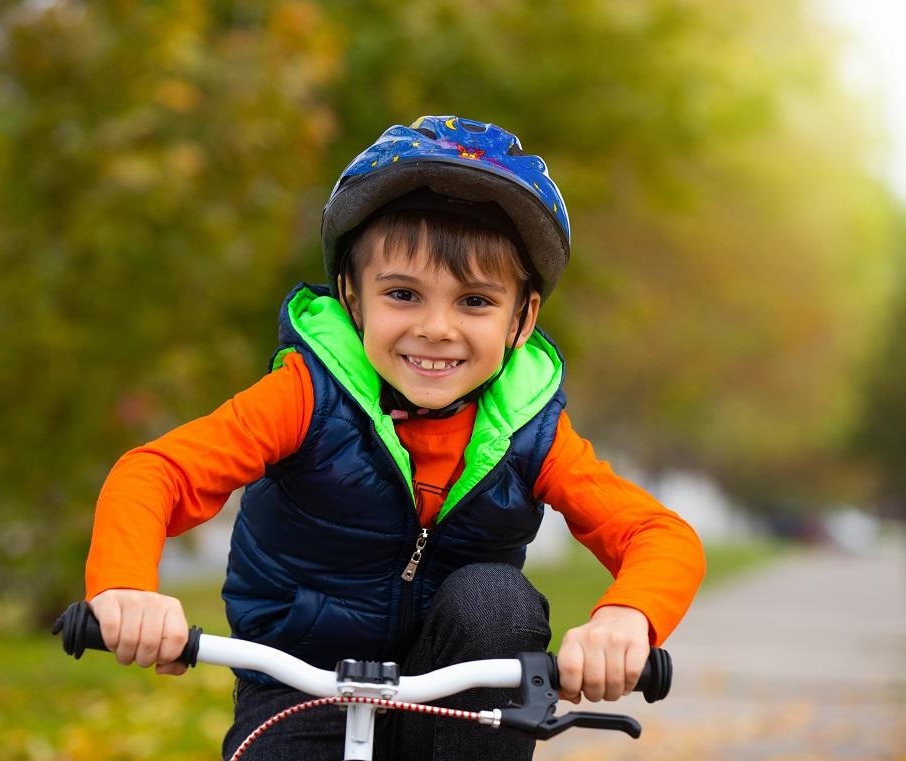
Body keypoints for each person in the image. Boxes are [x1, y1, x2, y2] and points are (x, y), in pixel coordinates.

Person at [84, 115, 706, 760]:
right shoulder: (305, 394)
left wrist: (623, 620)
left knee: (495, 598)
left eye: (475, 302)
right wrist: (127, 586)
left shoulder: (531, 433)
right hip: (301, 685)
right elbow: (156, 472)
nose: (437, 328)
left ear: (523, 318)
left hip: (457, 698)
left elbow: (659, 535)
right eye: (403, 294)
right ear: (353, 298)